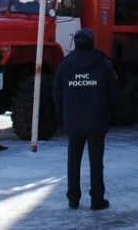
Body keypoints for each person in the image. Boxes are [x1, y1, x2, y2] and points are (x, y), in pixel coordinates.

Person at [53, 28, 120, 210]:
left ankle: (73, 198)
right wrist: (113, 114)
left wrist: (63, 115)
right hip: (97, 120)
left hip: (73, 121)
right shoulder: (103, 64)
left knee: (73, 161)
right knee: (96, 161)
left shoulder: (65, 65)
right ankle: (97, 198)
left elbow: (57, 93)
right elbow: (113, 92)